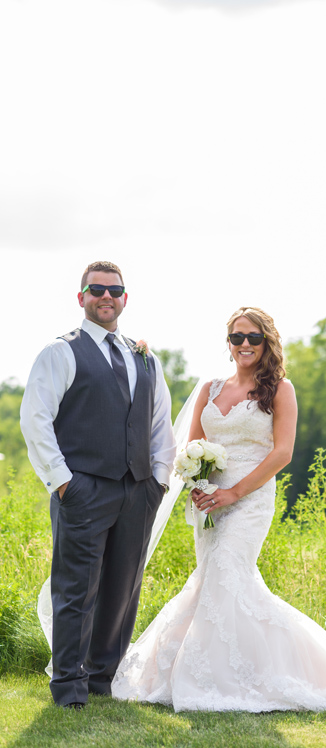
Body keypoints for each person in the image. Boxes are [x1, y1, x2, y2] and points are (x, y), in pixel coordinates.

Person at [111, 306, 326, 712]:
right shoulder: (210, 388)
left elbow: (282, 453)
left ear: (267, 342)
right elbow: (191, 446)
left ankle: (264, 677)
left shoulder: (280, 389)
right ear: (227, 344)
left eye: (253, 338)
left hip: (251, 499)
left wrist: (235, 492)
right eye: (237, 337)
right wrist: (198, 486)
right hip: (210, 501)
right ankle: (208, 671)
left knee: (228, 570)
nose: (245, 344)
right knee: (213, 582)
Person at [20, 261, 175, 709]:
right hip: (83, 488)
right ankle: (69, 685)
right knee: (75, 588)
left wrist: (159, 480)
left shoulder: (143, 356)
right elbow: (36, 420)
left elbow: (160, 420)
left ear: (125, 298)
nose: (106, 296)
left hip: (138, 490)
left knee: (123, 588)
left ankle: (102, 679)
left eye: (115, 290)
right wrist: (64, 483)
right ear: (82, 296)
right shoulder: (60, 352)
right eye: (96, 289)